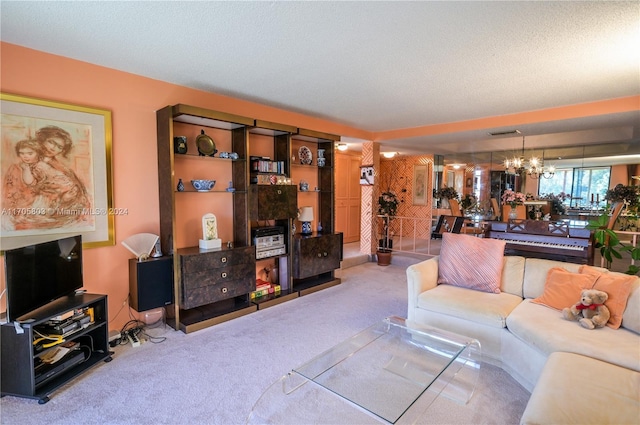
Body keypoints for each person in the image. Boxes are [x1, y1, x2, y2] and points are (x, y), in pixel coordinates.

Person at [35, 125, 91, 226]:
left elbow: (77, 186)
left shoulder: (61, 167)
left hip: (69, 208)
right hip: (46, 206)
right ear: (42, 139)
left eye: (59, 147)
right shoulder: (30, 159)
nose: (53, 148)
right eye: (51, 142)